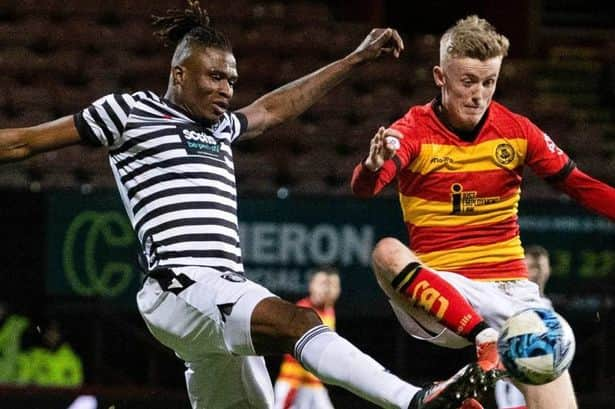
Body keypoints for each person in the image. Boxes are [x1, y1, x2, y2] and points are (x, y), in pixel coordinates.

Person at [0, 2, 495, 408]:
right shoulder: (129, 111)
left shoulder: (220, 128)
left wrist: (354, 59)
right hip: (180, 284)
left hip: (220, 300)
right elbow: (23, 143)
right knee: (300, 323)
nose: (226, 89)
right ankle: (413, 400)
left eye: (232, 81)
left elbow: (275, 108)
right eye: (215, 77)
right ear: (179, 72)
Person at [350, 14, 615, 409]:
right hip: (442, 291)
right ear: (440, 77)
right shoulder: (414, 129)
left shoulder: (518, 130)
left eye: (489, 82)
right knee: (386, 252)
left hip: (513, 295)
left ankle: (484, 361)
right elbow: (364, 189)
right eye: (468, 82)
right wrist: (372, 166)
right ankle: (484, 339)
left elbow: (580, 185)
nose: (478, 94)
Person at [274, 266, 341, 409]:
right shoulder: (303, 310)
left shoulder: (329, 311)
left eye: (331, 285)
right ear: (311, 285)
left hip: (314, 384)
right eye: (321, 284)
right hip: (293, 382)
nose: (327, 290)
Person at [495, 245, 553, 409]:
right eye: (532, 267)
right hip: (515, 386)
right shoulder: (505, 303)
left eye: (540, 267)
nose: (537, 271)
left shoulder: (549, 309)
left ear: (548, 270)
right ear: (521, 268)